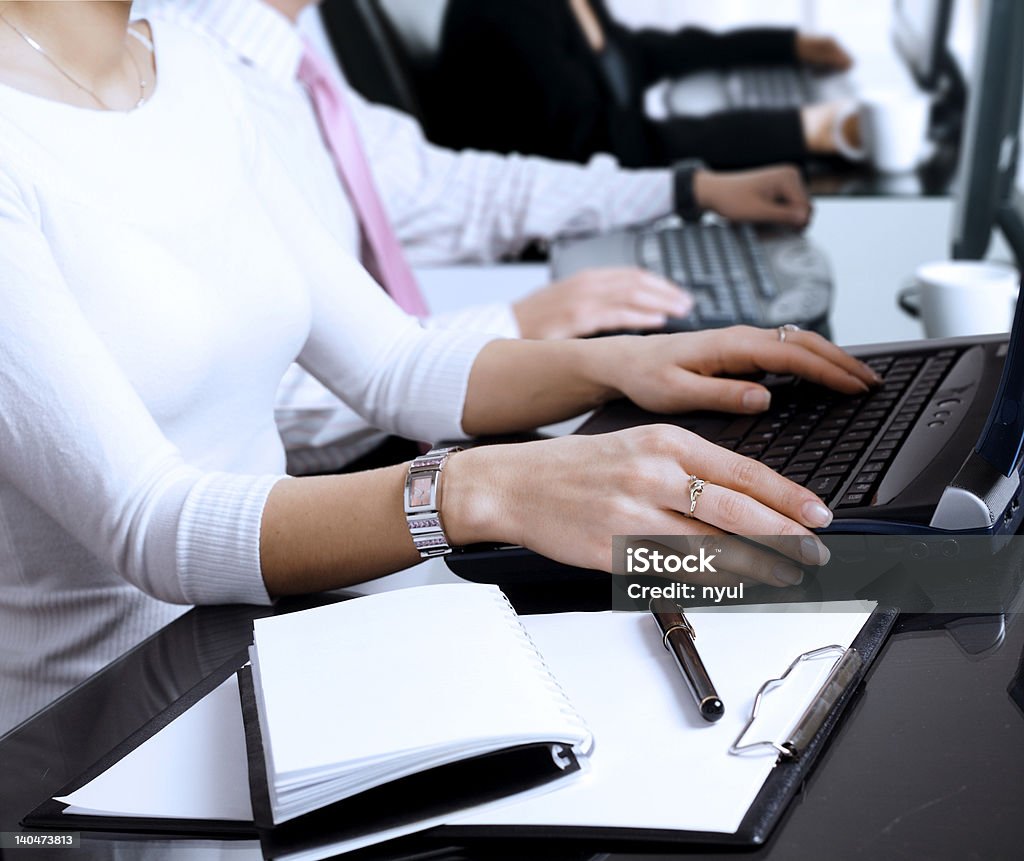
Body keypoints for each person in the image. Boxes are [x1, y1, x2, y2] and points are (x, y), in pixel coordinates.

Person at [0, 0, 877, 733]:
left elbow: (391, 360)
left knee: (808, 593)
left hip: (267, 648)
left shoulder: (189, 62)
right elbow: (155, 522)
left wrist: (629, 361)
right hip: (103, 731)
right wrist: (482, 487)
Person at [142, 0, 817, 476]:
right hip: (334, 482)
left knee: (732, 496)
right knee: (705, 543)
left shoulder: (285, 64)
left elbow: (456, 190)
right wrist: (521, 322)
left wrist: (683, 190)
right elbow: (263, 397)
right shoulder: (181, 79)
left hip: (405, 421)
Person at [425, 0, 854, 170]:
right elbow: (607, 142)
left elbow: (633, 54)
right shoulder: (506, 14)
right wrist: (803, 129)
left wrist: (786, 45)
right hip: (543, 244)